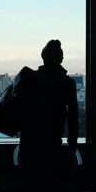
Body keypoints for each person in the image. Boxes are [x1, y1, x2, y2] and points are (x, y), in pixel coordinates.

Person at [19, 39, 79, 178]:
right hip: (52, 138)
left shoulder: (30, 78)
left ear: (43, 58)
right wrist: (72, 143)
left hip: (28, 139)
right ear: (61, 59)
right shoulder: (67, 83)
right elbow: (73, 116)